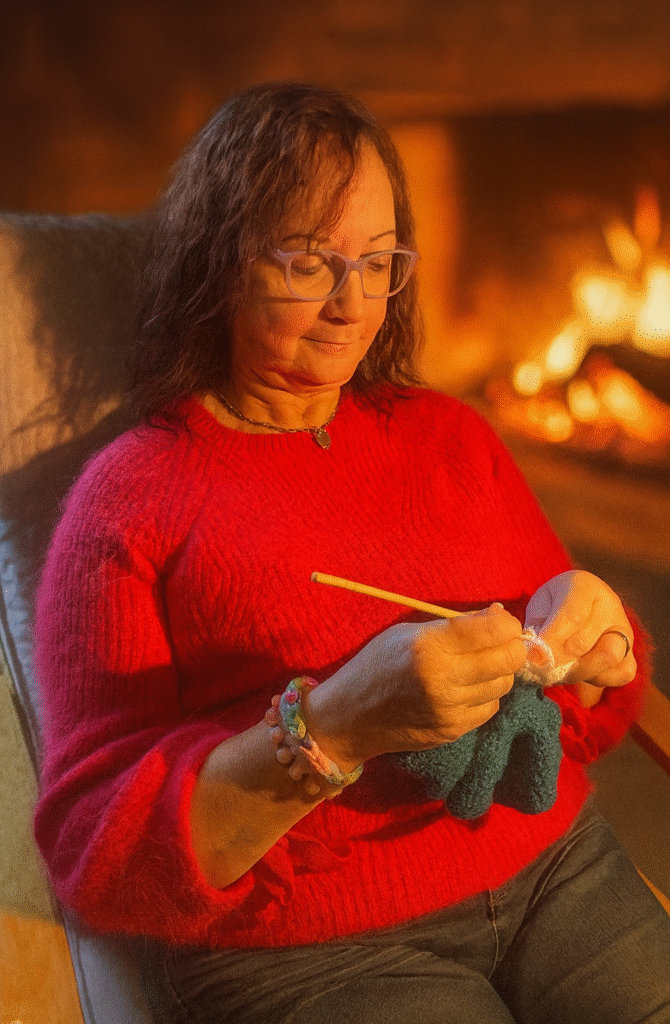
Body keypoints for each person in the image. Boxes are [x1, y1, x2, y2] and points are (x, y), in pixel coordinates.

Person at [33, 83, 670, 1024]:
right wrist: (333, 727)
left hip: (553, 868)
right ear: (217, 262)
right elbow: (97, 856)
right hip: (311, 952)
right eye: (308, 262)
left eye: (377, 263)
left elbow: (585, 710)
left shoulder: (450, 436)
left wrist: (591, 643)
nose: (351, 304)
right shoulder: (131, 500)